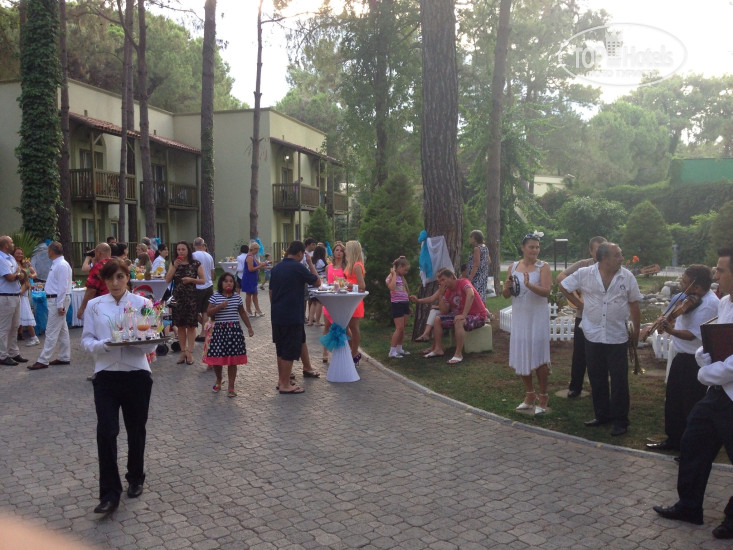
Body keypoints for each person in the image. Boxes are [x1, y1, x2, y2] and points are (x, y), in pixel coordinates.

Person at [653, 248, 733, 538]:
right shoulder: (725, 303)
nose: (715, 275)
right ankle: (689, 505)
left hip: (729, 393)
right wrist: (704, 356)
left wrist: (704, 372)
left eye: (721, 270)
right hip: (717, 394)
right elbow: (714, 342)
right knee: (693, 441)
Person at [81, 259, 157, 514]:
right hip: (105, 375)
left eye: (120, 277)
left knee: (136, 430)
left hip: (136, 374)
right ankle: (109, 493)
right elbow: (86, 340)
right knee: (106, 431)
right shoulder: (94, 305)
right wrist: (102, 345)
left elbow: (151, 342)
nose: (115, 283)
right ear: (104, 280)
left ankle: (136, 477)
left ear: (127, 278)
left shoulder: (143, 304)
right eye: (110, 278)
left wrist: (137, 340)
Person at [560, 242, 642, 436]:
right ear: (604, 258)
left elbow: (634, 305)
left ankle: (621, 421)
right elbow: (564, 285)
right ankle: (602, 415)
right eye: (617, 255)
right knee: (597, 377)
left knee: (619, 381)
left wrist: (636, 333)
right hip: (592, 334)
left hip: (617, 336)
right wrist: (578, 303)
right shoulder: (585, 273)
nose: (621, 258)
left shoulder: (627, 276)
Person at [644, 265, 719, 453]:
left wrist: (671, 330)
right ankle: (673, 440)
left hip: (694, 361)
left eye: (684, 282)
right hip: (681, 357)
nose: (681, 284)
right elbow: (678, 319)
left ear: (697, 286)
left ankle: (688, 447)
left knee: (689, 403)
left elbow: (693, 335)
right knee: (674, 401)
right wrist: (665, 321)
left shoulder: (709, 304)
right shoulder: (688, 298)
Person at [502, 233, 552, 414]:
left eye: (537, 247)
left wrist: (530, 285)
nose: (535, 250)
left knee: (539, 356)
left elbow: (546, 291)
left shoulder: (543, 267)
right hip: (520, 318)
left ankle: (543, 396)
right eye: (531, 247)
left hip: (537, 318)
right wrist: (506, 287)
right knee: (521, 354)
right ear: (523, 248)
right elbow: (506, 295)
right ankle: (529, 394)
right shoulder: (513, 267)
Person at [555, 236, 607, 398]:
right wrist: (577, 300)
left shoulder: (610, 266)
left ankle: (598, 388)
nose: (601, 253)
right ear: (591, 251)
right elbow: (561, 278)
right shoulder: (583, 265)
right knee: (580, 353)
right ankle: (575, 386)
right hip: (583, 316)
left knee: (601, 354)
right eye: (598, 250)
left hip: (603, 318)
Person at [270, 240, 321, 394]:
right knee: (289, 350)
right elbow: (317, 282)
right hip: (291, 315)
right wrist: (310, 263)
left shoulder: (276, 267)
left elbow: (271, 292)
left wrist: (277, 306)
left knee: (280, 349)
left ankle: (282, 380)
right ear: (299, 253)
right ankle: (285, 385)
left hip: (277, 315)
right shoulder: (298, 267)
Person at [422, 267, 488, 365]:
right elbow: (444, 311)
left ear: (451, 277)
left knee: (459, 320)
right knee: (437, 319)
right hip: (461, 315)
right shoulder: (448, 291)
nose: (441, 283)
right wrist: (440, 295)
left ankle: (458, 354)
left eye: (443, 279)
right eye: (440, 281)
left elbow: (471, 294)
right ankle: (438, 349)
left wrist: (463, 315)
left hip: (478, 315)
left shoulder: (463, 282)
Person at [204, 272, 254, 397]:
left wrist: (249, 327)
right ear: (221, 283)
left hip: (234, 332)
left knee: (232, 360)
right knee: (217, 358)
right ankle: (219, 379)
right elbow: (209, 312)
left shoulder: (237, 298)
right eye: (226, 281)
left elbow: (242, 312)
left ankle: (231, 386)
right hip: (219, 332)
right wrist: (220, 306)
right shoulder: (215, 297)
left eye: (231, 281)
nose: (229, 283)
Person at [28, 242, 73, 371]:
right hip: (55, 299)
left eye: (48, 251)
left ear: (52, 251)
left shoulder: (61, 265)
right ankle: (64, 356)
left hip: (57, 299)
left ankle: (43, 359)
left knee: (51, 330)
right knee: (62, 330)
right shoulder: (57, 264)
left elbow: (63, 286)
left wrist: (60, 304)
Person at [165, 241, 204, 365]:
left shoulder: (195, 263)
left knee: (191, 326)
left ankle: (190, 353)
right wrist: (174, 267)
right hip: (178, 298)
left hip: (191, 297)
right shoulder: (174, 263)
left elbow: (203, 280)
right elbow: (167, 279)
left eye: (183, 249)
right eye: (178, 249)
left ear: (188, 250)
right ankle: (183, 352)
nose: (181, 252)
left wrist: (191, 280)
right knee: (180, 325)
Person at [0, 235, 26, 366]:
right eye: (11, 242)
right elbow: (10, 277)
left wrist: (18, 274)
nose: (13, 244)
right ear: (5, 245)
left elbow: (20, 272)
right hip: (5, 296)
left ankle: (13, 352)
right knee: (4, 327)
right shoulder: (1, 259)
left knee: (15, 325)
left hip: (15, 295)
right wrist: (18, 275)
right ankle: (2, 355)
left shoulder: (10, 258)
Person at [321, 241, 346, 363]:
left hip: (341, 299)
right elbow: (327, 282)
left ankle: (340, 351)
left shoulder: (346, 267)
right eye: (337, 250)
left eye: (341, 251)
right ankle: (325, 351)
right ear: (334, 252)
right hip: (330, 298)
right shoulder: (328, 267)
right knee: (327, 325)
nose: (339, 253)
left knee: (341, 326)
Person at [344, 240, 367, 365]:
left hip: (355, 300)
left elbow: (362, 286)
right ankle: (353, 350)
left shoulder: (357, 265)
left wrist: (348, 284)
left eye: (347, 249)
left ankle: (354, 352)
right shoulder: (351, 264)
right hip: (349, 298)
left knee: (353, 326)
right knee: (346, 326)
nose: (345, 251)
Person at [77, 243, 112, 321]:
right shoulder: (117, 264)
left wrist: (82, 308)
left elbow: (91, 290)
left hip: (101, 304)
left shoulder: (98, 267)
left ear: (99, 253)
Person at [13, 247, 39, 346]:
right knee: (19, 316)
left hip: (23, 290)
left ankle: (34, 337)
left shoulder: (25, 264)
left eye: (21, 253)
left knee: (25, 314)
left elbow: (34, 274)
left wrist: (31, 275)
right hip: (17, 289)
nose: (20, 255)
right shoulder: (12, 264)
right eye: (17, 253)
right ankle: (18, 335)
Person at [386, 256, 411, 358]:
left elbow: (405, 291)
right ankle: (392, 351)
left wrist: (408, 305)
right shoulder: (392, 276)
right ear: (399, 267)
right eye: (405, 270)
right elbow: (391, 287)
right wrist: (394, 273)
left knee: (403, 328)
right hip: (397, 304)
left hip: (404, 303)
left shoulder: (402, 278)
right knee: (399, 328)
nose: (406, 272)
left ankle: (399, 348)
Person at [193, 237, 215, 342]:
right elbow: (213, 273)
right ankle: (205, 332)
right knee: (205, 311)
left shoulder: (193, 256)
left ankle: (205, 329)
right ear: (203, 245)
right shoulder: (209, 256)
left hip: (197, 286)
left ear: (194, 245)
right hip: (209, 285)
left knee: (193, 310)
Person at [243, 241, 267, 317]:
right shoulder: (249, 257)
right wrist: (260, 266)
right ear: (253, 249)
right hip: (249, 278)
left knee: (255, 294)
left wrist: (266, 264)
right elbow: (251, 269)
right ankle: (248, 310)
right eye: (257, 249)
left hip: (253, 278)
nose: (257, 251)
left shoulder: (253, 256)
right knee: (249, 294)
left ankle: (257, 309)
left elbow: (259, 264)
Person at [466, 230, 491, 301]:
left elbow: (476, 264)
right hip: (483, 275)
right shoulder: (485, 247)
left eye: (471, 237)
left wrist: (470, 277)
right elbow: (489, 261)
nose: (470, 239)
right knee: (481, 296)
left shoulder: (477, 249)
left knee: (475, 295)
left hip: (477, 277)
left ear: (475, 238)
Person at [307, 245, 327, 326]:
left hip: (311, 284)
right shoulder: (321, 261)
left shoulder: (312, 260)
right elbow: (327, 268)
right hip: (319, 284)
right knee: (319, 302)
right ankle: (318, 321)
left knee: (313, 302)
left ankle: (310, 321)